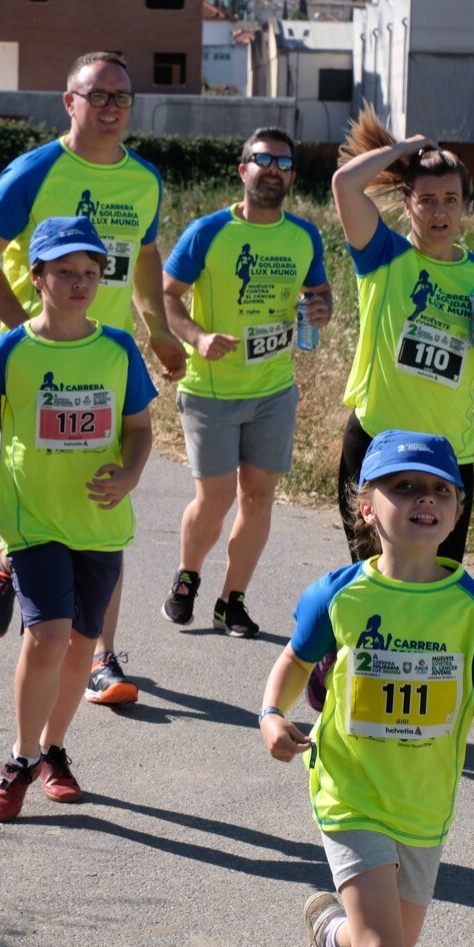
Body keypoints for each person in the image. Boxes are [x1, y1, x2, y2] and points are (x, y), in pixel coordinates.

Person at [258, 429, 474, 947]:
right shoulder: (339, 595)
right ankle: (346, 937)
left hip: (424, 803)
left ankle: (330, 935)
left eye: (442, 490)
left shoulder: (471, 606)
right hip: (350, 792)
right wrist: (271, 713)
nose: (425, 498)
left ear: (458, 510)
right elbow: (294, 662)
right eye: (404, 485)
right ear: (365, 504)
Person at [0, 50, 187, 707]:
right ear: (70, 101)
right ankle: (14, 557)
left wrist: (159, 331)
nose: (112, 107)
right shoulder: (36, 170)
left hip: (108, 370)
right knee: (48, 490)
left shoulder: (144, 180)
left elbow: (145, 262)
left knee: (108, 498)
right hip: (38, 369)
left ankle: (100, 656)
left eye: (122, 96)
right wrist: (17, 335)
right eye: (99, 95)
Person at [0, 217, 157, 821]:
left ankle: (54, 750)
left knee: (80, 646)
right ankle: (19, 759)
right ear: (37, 277)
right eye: (64, 271)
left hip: (99, 522)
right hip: (33, 518)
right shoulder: (12, 347)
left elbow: (140, 428)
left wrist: (133, 472)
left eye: (90, 272)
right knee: (49, 636)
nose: (80, 282)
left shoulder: (117, 348)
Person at [331, 111, 474, 567]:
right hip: (377, 445)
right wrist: (405, 150)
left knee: (437, 586)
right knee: (371, 581)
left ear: (464, 205)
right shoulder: (384, 256)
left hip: (447, 456)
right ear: (407, 206)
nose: (440, 211)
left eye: (450, 199)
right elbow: (345, 183)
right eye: (427, 200)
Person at [160, 127, 332, 638]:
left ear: (293, 176)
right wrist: (196, 335)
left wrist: (321, 309)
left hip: (274, 389)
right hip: (211, 390)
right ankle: (188, 576)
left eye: (283, 162)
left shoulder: (304, 236)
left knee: (258, 498)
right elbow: (166, 295)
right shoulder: (208, 232)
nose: (273, 169)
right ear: (243, 171)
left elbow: (320, 292)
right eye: (262, 160)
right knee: (214, 500)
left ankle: (231, 601)